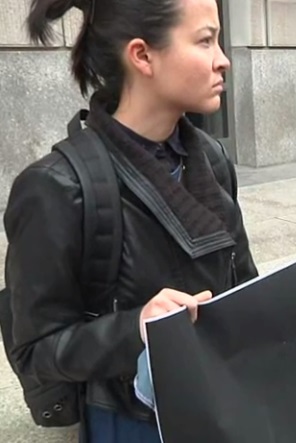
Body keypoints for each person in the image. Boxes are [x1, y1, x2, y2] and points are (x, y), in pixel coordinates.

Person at [5, 0, 258, 442]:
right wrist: (136, 326)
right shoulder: (57, 188)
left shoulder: (211, 159)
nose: (223, 60)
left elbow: (245, 285)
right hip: (130, 424)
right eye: (205, 41)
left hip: (221, 404)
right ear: (142, 56)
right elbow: (36, 351)